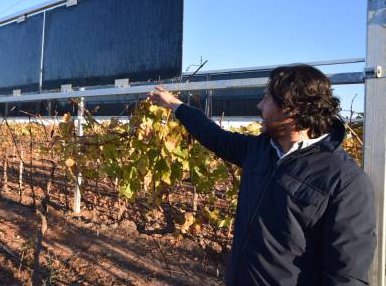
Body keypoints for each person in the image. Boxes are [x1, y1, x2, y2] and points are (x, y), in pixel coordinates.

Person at [147, 64, 376, 286]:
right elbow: (214, 136)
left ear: (292, 109)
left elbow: (347, 275)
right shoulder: (259, 150)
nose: (259, 105)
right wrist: (175, 105)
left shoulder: (345, 180)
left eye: (266, 99)